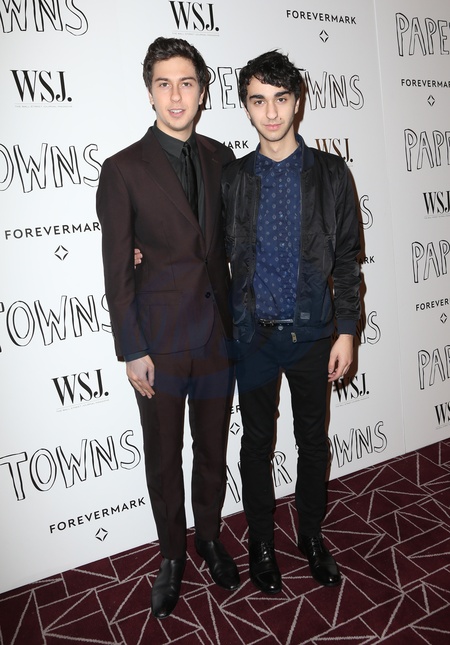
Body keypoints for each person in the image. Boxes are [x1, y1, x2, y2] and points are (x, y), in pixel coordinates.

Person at [96, 36, 239, 620]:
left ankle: (208, 539)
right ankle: (172, 555)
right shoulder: (123, 169)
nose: (176, 96)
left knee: (213, 450)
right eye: (164, 84)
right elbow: (116, 269)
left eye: (187, 83)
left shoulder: (223, 159)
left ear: (202, 91)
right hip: (158, 344)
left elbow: (231, 245)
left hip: (219, 337)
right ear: (150, 92)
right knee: (163, 456)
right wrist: (132, 348)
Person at [221, 51, 361, 594]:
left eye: (281, 99)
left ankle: (311, 537)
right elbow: (203, 247)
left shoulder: (331, 174)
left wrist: (346, 330)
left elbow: (346, 259)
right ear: (246, 107)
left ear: (297, 101)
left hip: (313, 334)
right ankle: (261, 543)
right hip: (253, 336)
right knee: (255, 446)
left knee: (312, 442)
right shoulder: (233, 178)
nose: (272, 112)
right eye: (259, 101)